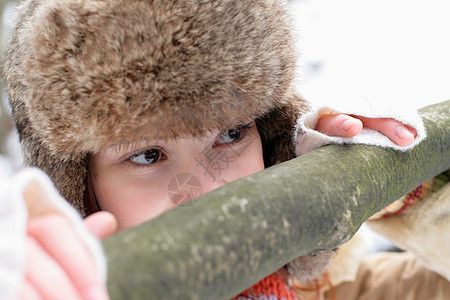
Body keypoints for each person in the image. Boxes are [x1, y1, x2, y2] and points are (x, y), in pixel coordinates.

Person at [3, 0, 446, 299]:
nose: (209, 187)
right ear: (80, 188)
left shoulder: (336, 289)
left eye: (231, 134)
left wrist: (373, 181)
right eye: (147, 155)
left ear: (271, 141)